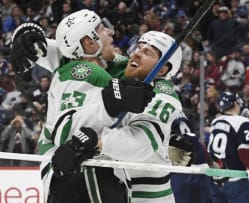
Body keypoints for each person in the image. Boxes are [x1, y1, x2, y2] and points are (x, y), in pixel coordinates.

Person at [10, 9, 155, 203]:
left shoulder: (91, 66)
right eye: (102, 29)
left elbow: (122, 65)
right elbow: (67, 132)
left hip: (79, 176)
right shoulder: (84, 72)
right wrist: (109, 105)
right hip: (83, 176)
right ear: (89, 41)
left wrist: (28, 32)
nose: (110, 33)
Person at [100, 30, 183, 203]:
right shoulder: (128, 67)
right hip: (115, 187)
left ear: (162, 70)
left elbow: (139, 144)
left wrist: (96, 141)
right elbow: (88, 54)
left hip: (147, 195)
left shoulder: (164, 96)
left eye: (147, 52)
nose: (136, 53)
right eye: (138, 47)